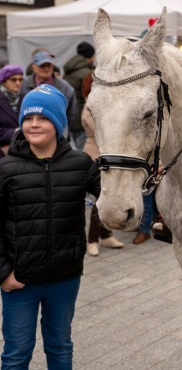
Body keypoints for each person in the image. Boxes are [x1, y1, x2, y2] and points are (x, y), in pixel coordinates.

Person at [0, 84, 99, 370]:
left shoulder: (79, 165)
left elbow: (112, 195)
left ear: (59, 124)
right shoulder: (7, 167)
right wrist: (3, 273)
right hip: (19, 281)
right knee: (17, 352)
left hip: (64, 277)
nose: (34, 124)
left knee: (60, 346)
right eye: (29, 118)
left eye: (43, 117)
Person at [81, 72, 124, 255]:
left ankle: (106, 236)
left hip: (104, 154)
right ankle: (92, 240)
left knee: (105, 195)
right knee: (100, 198)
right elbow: (102, 130)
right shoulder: (91, 106)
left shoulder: (102, 104)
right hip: (94, 155)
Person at [21, 50, 78, 133]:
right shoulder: (24, 85)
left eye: (49, 65)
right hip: (30, 133)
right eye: (42, 66)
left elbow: (72, 115)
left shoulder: (65, 88)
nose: (46, 69)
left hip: (57, 135)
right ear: (33, 67)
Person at [64, 41, 95, 151]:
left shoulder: (68, 71)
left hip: (70, 119)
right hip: (84, 121)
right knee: (84, 152)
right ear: (90, 56)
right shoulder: (87, 73)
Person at [0, 65, 24, 156]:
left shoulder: (26, 98)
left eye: (20, 79)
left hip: (25, 152)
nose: (18, 83)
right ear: (4, 82)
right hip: (3, 153)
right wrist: (17, 132)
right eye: (13, 80)